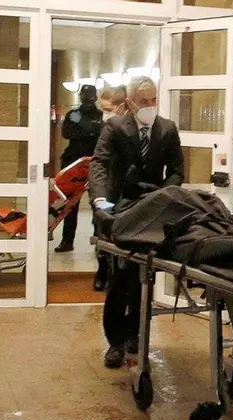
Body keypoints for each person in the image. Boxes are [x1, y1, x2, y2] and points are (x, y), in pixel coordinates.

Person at [89, 76, 185, 368]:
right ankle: (115, 342)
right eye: (144, 101)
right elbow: (100, 164)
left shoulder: (167, 129)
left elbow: (176, 170)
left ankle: (135, 334)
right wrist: (100, 201)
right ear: (130, 103)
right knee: (120, 278)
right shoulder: (115, 128)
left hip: (152, 211)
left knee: (144, 279)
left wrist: (165, 196)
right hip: (119, 211)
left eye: (154, 99)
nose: (150, 105)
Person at [55, 84, 104, 253]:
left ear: (95, 97)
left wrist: (86, 129)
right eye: (85, 95)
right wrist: (89, 131)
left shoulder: (100, 115)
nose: (88, 98)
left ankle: (100, 240)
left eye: (90, 95)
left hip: (94, 162)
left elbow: (101, 134)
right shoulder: (74, 114)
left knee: (99, 202)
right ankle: (67, 241)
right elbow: (67, 133)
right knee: (70, 204)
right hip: (74, 162)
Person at [92, 86, 128, 292]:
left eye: (109, 109)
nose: (105, 113)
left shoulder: (131, 129)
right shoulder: (103, 127)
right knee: (101, 233)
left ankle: (117, 278)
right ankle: (102, 272)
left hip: (124, 188)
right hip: (104, 188)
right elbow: (98, 161)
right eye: (103, 109)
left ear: (122, 106)